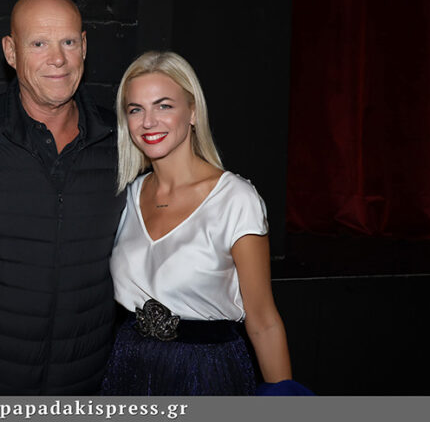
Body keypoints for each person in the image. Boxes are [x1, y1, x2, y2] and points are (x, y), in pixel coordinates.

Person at [0, 0, 126, 395]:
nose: (58, 59)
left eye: (68, 42)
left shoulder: (122, 141)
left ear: (84, 46)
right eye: (39, 44)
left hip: (88, 388)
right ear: (11, 51)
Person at [102, 51, 292, 395]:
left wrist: (286, 400)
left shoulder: (235, 199)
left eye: (164, 106)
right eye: (136, 109)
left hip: (206, 374)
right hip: (128, 367)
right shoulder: (127, 196)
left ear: (192, 112)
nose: (148, 122)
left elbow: (263, 322)